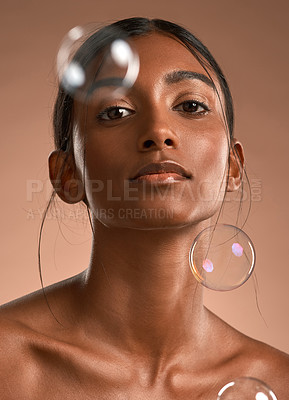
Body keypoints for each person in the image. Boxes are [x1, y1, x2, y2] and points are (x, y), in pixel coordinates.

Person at [0, 17, 288, 399]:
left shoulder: (280, 383)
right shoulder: (7, 364)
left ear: (233, 166)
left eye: (190, 105)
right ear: (68, 174)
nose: (158, 131)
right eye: (115, 112)